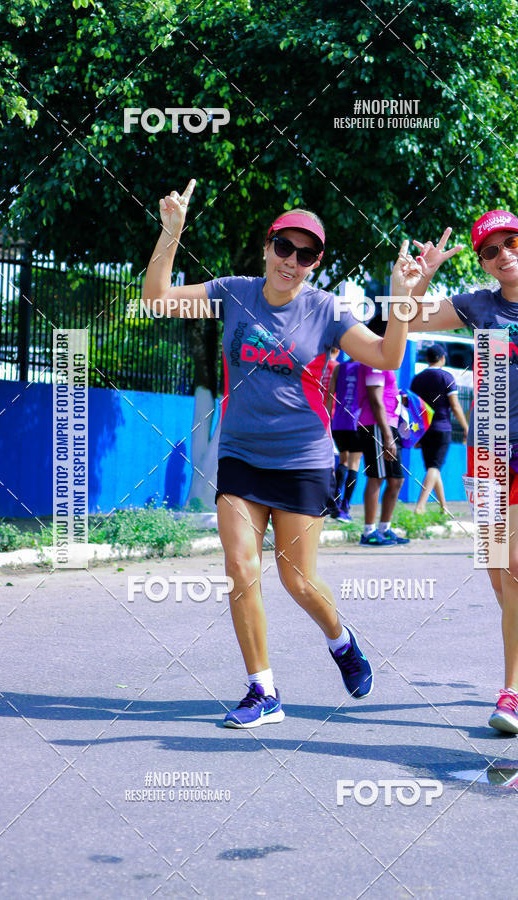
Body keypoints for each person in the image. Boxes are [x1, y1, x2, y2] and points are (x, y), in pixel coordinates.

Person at [143, 180, 422, 728]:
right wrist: (170, 233)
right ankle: (262, 690)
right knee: (240, 567)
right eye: (284, 248)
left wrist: (401, 296)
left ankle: (342, 641)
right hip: (241, 456)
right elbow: (157, 299)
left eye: (306, 253)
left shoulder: (328, 312)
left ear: (316, 262)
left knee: (297, 580)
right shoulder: (234, 292)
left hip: (302, 460)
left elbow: (388, 357)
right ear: (269, 247)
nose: (292, 261)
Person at [408, 212, 518, 735]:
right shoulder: (478, 307)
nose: (504, 254)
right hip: (486, 450)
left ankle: (510, 694)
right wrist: (424, 277)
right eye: (491, 250)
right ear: (483, 262)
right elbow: (408, 320)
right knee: (497, 571)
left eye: (511, 242)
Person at [356, 315, 410, 547]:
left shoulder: (385, 359)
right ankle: (368, 532)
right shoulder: (375, 359)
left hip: (388, 425)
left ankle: (384, 528)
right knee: (377, 478)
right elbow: (375, 399)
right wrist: (387, 436)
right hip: (377, 426)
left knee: (396, 480)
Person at [410, 342, 468, 514]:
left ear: (427, 359)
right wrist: (466, 427)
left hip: (423, 429)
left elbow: (413, 407)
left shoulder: (418, 378)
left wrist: (414, 433)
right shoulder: (447, 377)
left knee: (432, 468)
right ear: (442, 358)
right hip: (442, 428)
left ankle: (444, 507)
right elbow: (456, 406)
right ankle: (420, 506)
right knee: (434, 467)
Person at [327, 358, 362, 521]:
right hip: (356, 423)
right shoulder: (365, 368)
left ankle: (335, 503)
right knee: (354, 464)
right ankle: (344, 507)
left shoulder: (339, 368)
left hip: (338, 423)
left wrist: (327, 420)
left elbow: (329, 396)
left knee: (343, 461)